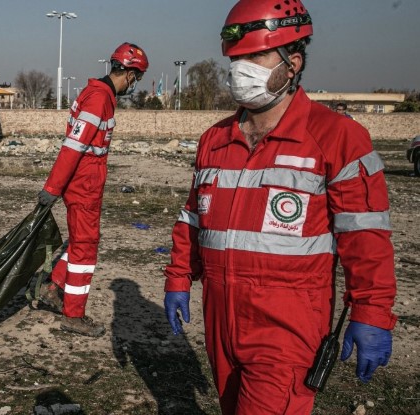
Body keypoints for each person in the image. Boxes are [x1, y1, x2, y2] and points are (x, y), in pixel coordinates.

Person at [162, 1, 396, 413]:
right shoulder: (214, 140)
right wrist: (180, 277)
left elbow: (365, 237)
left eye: (255, 56)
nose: (240, 69)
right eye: (236, 58)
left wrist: (371, 310)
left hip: (287, 329)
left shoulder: (338, 137)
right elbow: (193, 217)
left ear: (293, 63)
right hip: (220, 318)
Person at [37, 43, 149, 337]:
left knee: (80, 241)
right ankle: (73, 315)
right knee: (85, 250)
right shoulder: (100, 98)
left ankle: (54, 286)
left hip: (83, 182)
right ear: (129, 74)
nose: (133, 84)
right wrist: (53, 186)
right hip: (84, 184)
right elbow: (74, 146)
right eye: (136, 78)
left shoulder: (95, 93)